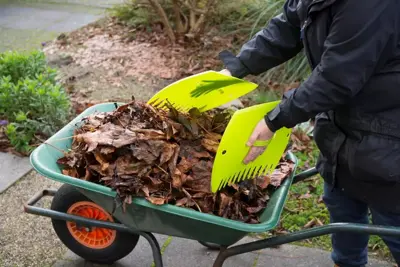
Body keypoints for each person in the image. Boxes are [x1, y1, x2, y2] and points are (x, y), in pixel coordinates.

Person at [217, 0, 400, 266]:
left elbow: (337, 77)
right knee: (342, 207)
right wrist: (235, 69)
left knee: (391, 220)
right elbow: (287, 27)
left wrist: (274, 121)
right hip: (343, 129)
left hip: (389, 137)